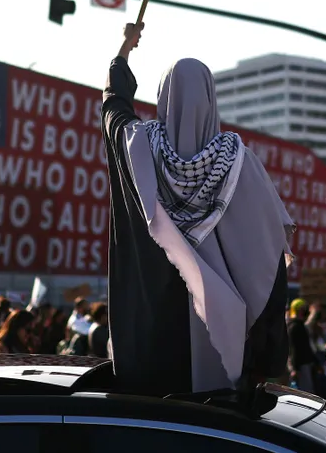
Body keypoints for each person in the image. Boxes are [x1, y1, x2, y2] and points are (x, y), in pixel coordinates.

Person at [101, 22, 291, 395]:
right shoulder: (241, 164)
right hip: (223, 351)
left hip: (146, 348)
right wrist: (265, 359)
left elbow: (114, 108)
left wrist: (124, 51)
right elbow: (270, 269)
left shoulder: (136, 147)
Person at [287, 299, 318, 392]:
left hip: (304, 364)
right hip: (300, 365)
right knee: (305, 392)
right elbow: (294, 349)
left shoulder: (300, 325)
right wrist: (295, 368)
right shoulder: (294, 327)